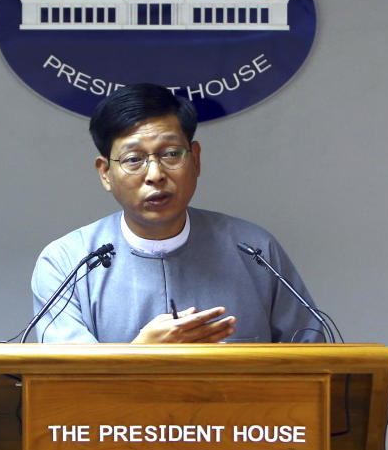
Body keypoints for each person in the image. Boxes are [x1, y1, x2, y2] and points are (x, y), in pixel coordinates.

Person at [30, 83, 324, 344]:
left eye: (171, 154)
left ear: (195, 159)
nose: (155, 174)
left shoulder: (254, 250)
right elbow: (66, 384)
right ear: (106, 173)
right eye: (134, 159)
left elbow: (311, 362)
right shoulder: (67, 263)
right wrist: (141, 355)